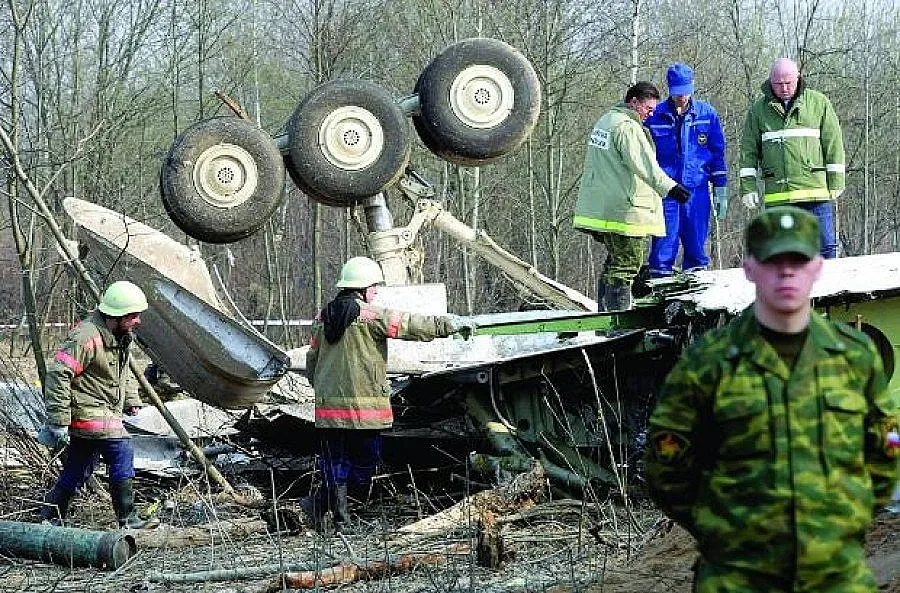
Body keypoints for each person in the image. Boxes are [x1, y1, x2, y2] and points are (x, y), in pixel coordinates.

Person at [644, 206, 900, 592]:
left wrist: (849, 518)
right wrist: (722, 527)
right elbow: (667, 465)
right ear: (750, 269)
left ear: (816, 268)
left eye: (797, 260)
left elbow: (887, 448)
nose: (786, 273)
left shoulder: (855, 358)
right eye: (772, 260)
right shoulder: (708, 363)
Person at [302, 256, 476, 532]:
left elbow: (312, 358)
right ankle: (339, 517)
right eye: (373, 287)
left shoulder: (321, 317)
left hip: (328, 408)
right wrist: (449, 324)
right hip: (365, 410)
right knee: (366, 461)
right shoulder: (371, 316)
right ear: (361, 289)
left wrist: (321, 387)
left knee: (336, 462)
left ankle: (324, 509)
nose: (376, 292)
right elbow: (410, 325)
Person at [37, 280, 157, 529]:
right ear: (116, 316)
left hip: (103, 411)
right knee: (122, 450)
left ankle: (49, 516)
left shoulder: (120, 336)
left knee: (80, 466)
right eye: (133, 316)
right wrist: (58, 421)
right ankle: (128, 518)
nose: (139, 321)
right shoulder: (86, 337)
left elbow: (123, 373)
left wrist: (131, 401)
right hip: (87, 411)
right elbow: (59, 373)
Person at [573, 81, 688, 311]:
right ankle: (618, 321)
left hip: (603, 206)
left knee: (615, 262)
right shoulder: (627, 127)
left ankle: (604, 319)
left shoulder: (606, 121)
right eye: (648, 108)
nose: (650, 114)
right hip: (624, 210)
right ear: (634, 102)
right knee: (628, 263)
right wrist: (671, 188)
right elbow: (644, 165)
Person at [739, 58, 845, 259]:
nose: (784, 88)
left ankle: (829, 288)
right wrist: (748, 187)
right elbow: (748, 151)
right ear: (770, 81)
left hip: (815, 193)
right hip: (779, 196)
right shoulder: (758, 111)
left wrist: (837, 180)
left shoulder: (818, 103)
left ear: (798, 78)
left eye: (788, 82)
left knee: (825, 247)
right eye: (778, 84)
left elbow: (833, 143)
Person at [645, 63, 728, 277]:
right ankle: (660, 296)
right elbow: (645, 157)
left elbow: (717, 153)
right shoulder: (655, 116)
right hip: (667, 193)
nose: (681, 97)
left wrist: (721, 188)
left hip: (697, 192)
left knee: (696, 250)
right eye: (676, 93)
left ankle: (696, 299)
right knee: (663, 250)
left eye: (684, 92)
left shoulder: (707, 114)